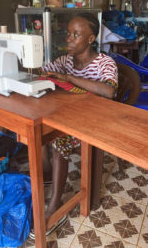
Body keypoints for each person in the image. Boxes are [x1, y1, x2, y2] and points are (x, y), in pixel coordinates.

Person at [29, 13, 118, 238]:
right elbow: (42, 71)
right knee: (38, 128)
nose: (69, 39)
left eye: (76, 35)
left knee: (58, 139)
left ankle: (54, 207)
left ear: (90, 39)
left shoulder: (105, 63)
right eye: (68, 33)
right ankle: (48, 170)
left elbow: (109, 90)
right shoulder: (65, 60)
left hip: (95, 123)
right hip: (70, 118)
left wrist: (68, 78)